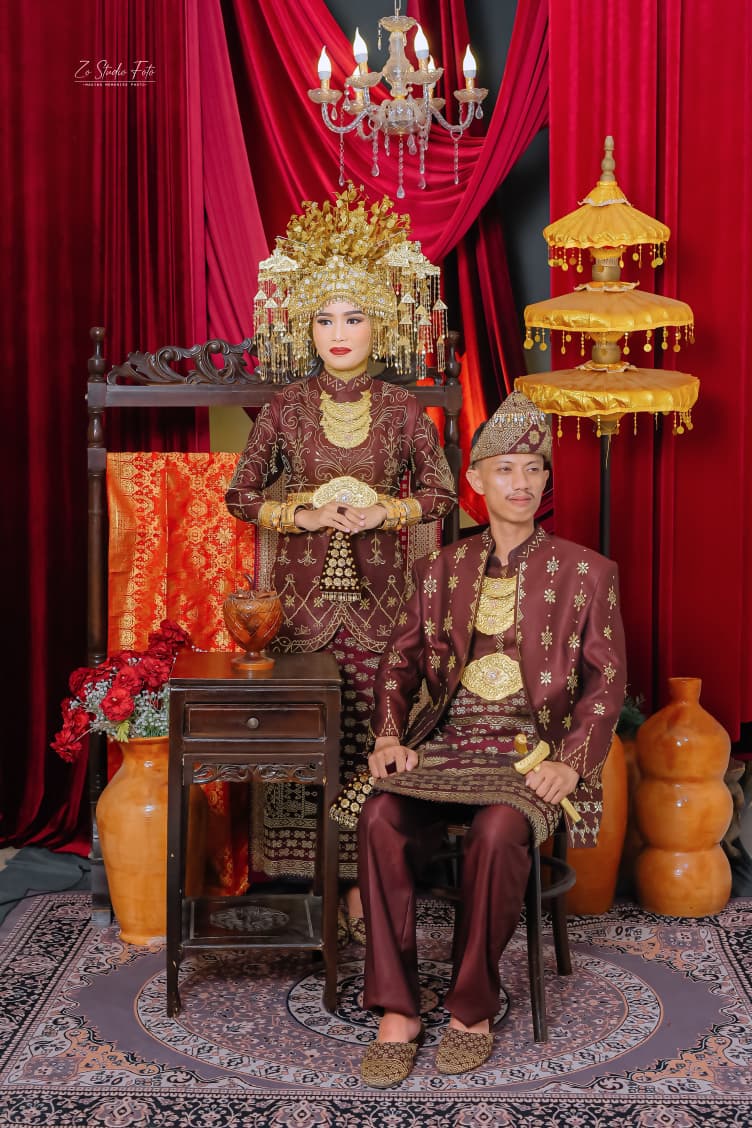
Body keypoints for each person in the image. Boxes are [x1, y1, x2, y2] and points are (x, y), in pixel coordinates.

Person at [356, 391, 627, 1087]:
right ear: (476, 480)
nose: (521, 482)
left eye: (533, 469)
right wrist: (389, 736)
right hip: (447, 745)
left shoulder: (588, 572)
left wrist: (572, 765)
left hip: (529, 752)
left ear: (545, 480)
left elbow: (607, 683)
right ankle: (397, 1009)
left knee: (500, 830)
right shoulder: (440, 568)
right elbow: (397, 663)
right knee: (379, 815)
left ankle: (471, 1007)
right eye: (505, 469)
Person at [225, 185, 457, 941]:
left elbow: (442, 493)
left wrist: (386, 511)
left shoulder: (401, 410)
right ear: (305, 327)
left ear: (379, 324)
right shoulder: (285, 409)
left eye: (353, 317)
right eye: (324, 319)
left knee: (374, 736)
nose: (339, 333)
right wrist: (304, 514)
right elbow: (240, 495)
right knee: (306, 740)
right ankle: (312, 878)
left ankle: (368, 885)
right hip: (298, 609)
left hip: (385, 604)